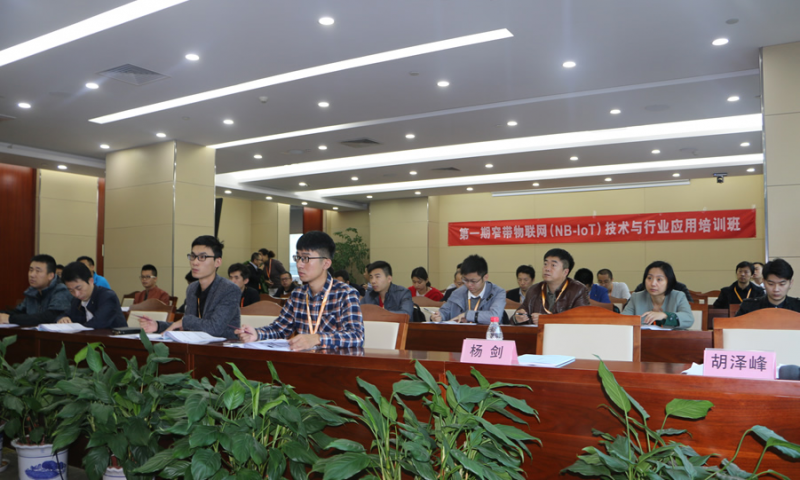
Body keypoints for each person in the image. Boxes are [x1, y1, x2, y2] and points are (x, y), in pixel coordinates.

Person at [237, 231, 364, 350]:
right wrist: (256, 334)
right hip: (303, 361)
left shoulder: (345, 294)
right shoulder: (298, 294)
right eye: (297, 257)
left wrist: (317, 338)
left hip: (334, 363)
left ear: (326, 263)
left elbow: (356, 336)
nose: (299, 264)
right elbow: (280, 328)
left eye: (306, 258)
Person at [140, 235, 241, 340]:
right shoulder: (192, 288)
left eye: (202, 257)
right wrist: (158, 326)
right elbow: (187, 327)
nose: (195, 262)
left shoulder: (229, 289)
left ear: (217, 262)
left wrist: (185, 321)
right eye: (193, 256)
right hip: (195, 345)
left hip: (222, 347)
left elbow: (215, 328)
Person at [518, 248, 590, 324]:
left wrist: (547, 320)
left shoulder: (578, 290)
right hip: (538, 332)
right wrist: (517, 318)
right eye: (545, 264)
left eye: (553, 265)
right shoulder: (534, 290)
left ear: (565, 272)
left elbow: (582, 321)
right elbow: (515, 318)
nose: (547, 268)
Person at [431, 255, 506, 324]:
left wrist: (467, 315)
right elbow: (445, 311)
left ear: (485, 277)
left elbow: (495, 316)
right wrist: (439, 316)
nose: (469, 284)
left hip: (487, 333)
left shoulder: (497, 293)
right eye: (465, 280)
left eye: (473, 281)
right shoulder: (457, 293)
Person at [0, 254, 72, 326]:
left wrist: (10, 319)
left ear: (50, 276)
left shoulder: (61, 290)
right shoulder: (32, 291)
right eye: (31, 270)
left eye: (38, 271)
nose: (32, 275)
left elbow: (49, 317)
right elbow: (19, 312)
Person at [622, 261, 694, 329]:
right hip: (642, 337)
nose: (653, 283)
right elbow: (622, 320)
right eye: (649, 278)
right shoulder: (636, 297)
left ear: (669, 282)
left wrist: (665, 315)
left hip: (672, 337)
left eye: (659, 279)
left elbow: (689, 319)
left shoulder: (678, 296)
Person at [57, 262, 126, 329]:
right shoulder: (76, 300)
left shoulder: (107, 297)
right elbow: (64, 314)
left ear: (91, 281)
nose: (76, 294)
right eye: (71, 290)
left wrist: (76, 327)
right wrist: (62, 319)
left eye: (79, 288)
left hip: (114, 336)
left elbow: (98, 323)